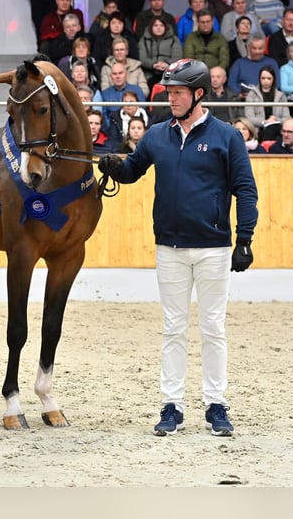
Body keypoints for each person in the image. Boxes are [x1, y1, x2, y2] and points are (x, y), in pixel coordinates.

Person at [97, 58, 258, 438]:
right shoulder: (156, 135)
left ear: (198, 94)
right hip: (169, 247)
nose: (171, 98)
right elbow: (133, 170)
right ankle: (172, 405)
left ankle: (216, 404)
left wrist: (245, 238)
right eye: (169, 92)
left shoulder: (226, 136)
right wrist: (113, 167)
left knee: (213, 326)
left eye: (178, 92)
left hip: (213, 248)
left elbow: (245, 189)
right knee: (173, 327)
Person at [244, 65, 290, 141]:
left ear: (273, 79)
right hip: (259, 128)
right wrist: (265, 122)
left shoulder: (281, 95)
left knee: (274, 129)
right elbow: (249, 118)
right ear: (259, 79)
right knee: (269, 130)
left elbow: (286, 118)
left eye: (269, 78)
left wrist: (276, 120)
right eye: (263, 78)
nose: (266, 81)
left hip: (277, 127)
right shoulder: (252, 94)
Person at [138, 16, 182, 91]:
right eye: (156, 25)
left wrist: (167, 65)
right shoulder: (144, 40)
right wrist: (154, 64)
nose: (159, 28)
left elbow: (177, 57)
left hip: (170, 72)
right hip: (149, 74)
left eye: (161, 25)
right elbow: (142, 58)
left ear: (165, 27)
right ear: (151, 27)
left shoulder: (174, 39)